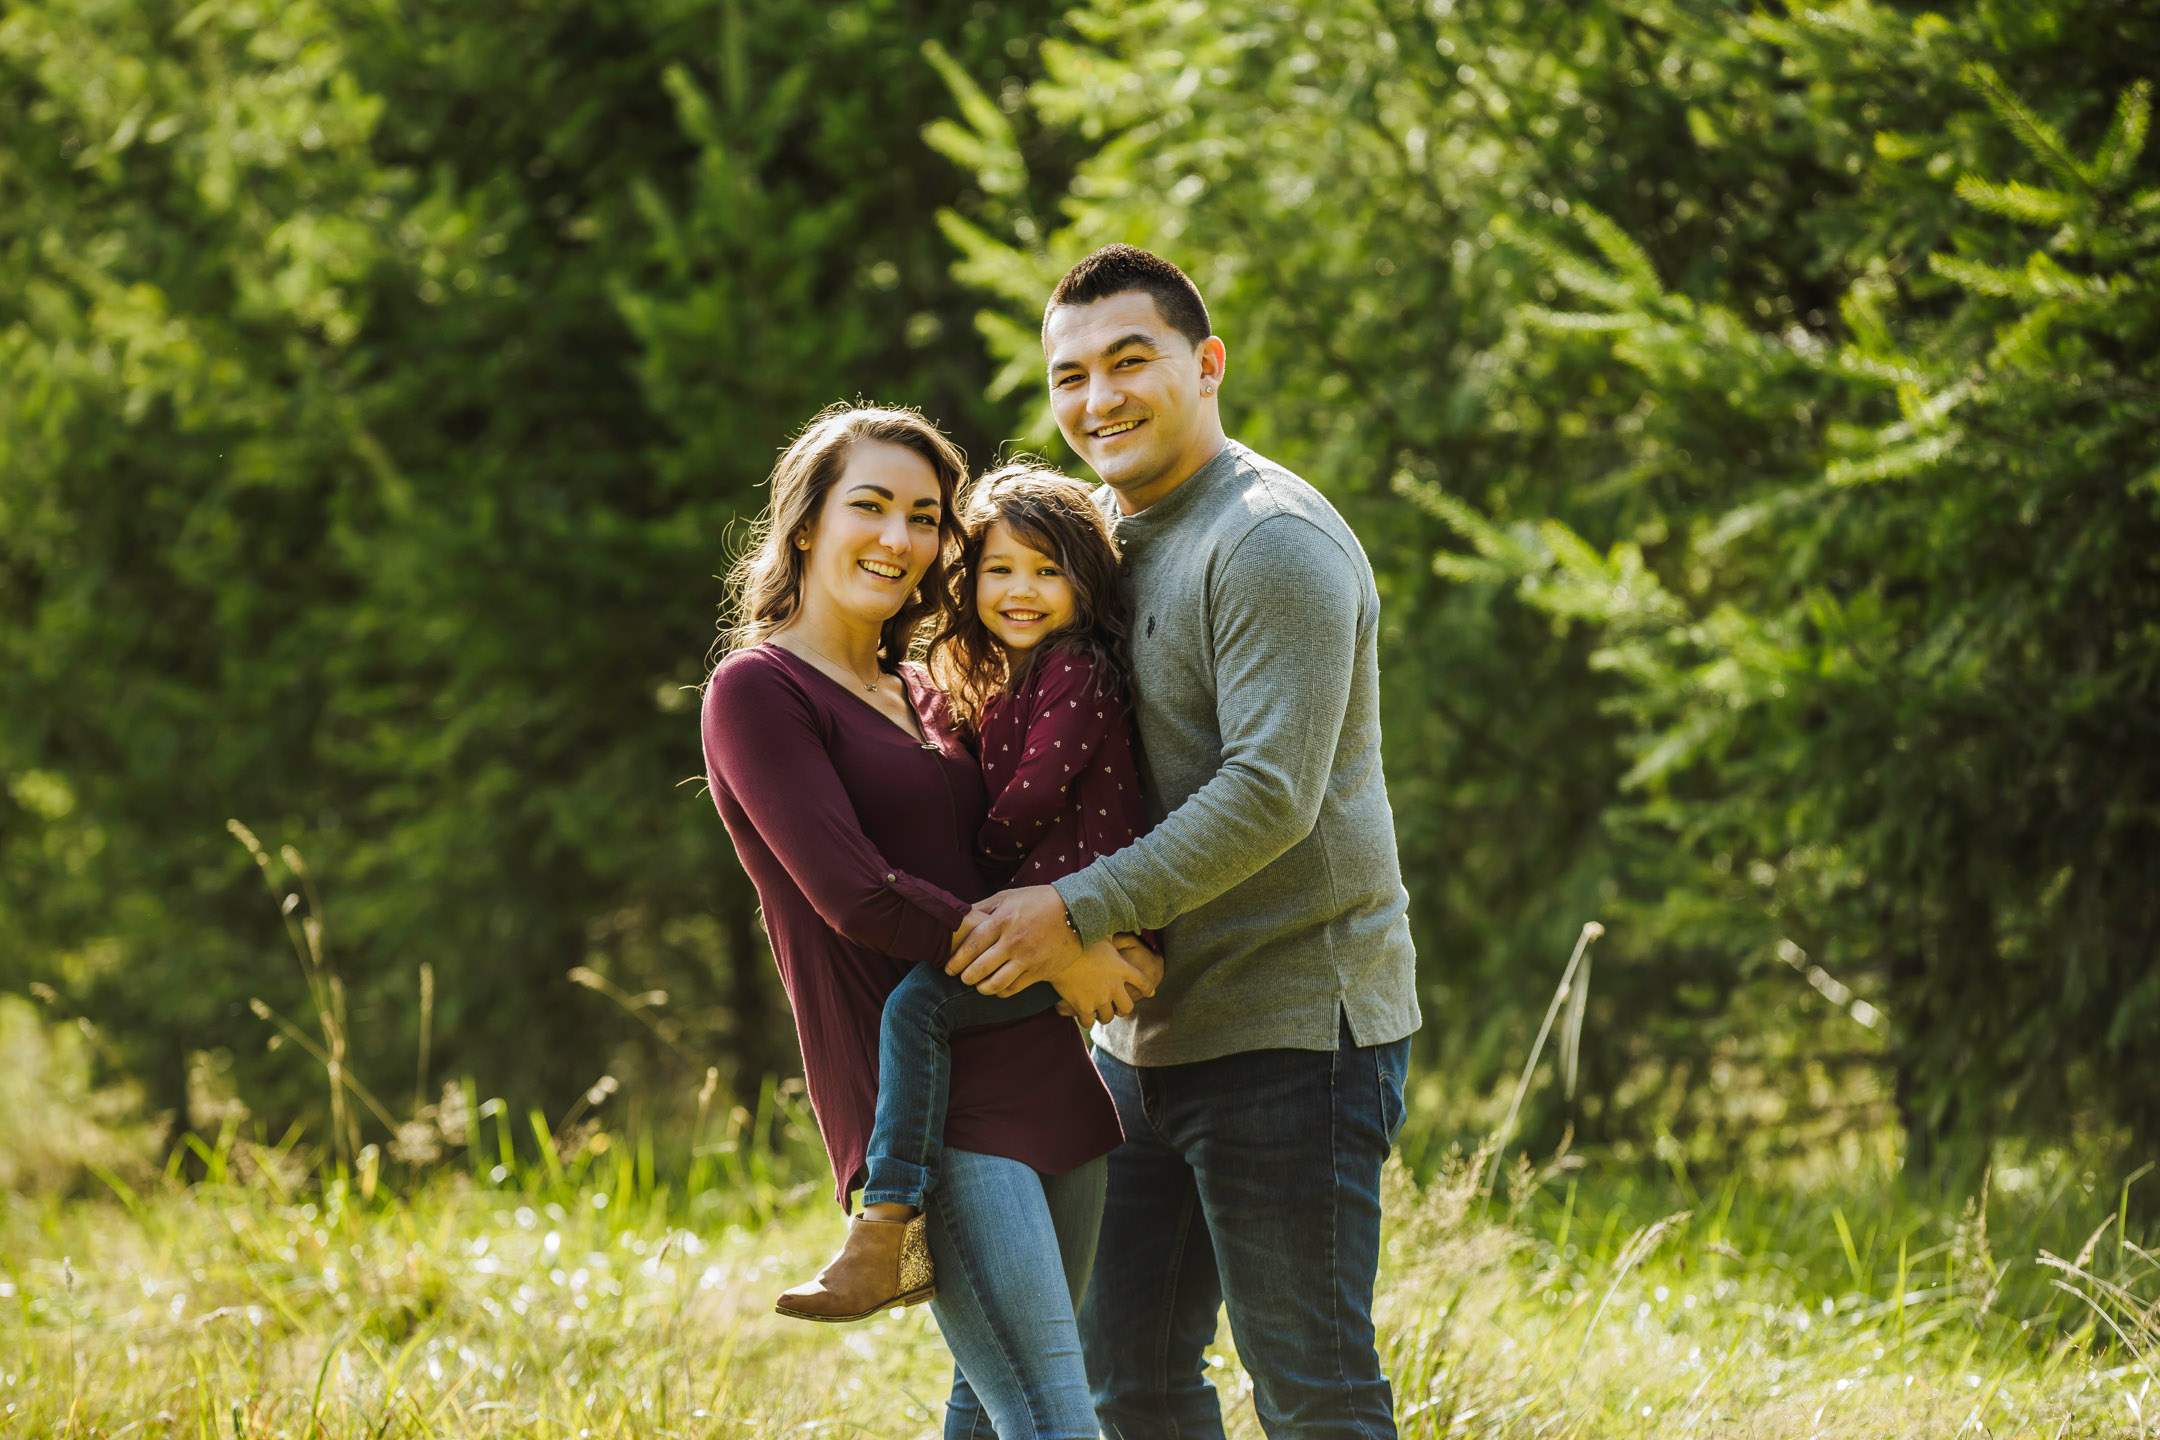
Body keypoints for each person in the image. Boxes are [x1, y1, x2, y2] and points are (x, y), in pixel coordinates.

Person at [948, 246, 1423, 1438]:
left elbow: (1271, 794)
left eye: (1128, 362)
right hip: (1137, 1035)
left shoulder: (1269, 543)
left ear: (1205, 365)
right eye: (1070, 375)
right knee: (1133, 1385)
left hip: (1290, 1028)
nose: (1097, 399)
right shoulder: (1093, 539)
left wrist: (1069, 912)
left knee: (1311, 1391)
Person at [699, 403, 1156, 1438]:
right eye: (870, 507)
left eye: (924, 515)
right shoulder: (757, 690)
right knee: (1053, 1418)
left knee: (995, 1414)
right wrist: (1060, 956)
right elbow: (857, 895)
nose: (899, 540)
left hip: (1046, 1068)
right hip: (934, 1104)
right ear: (806, 522)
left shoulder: (927, 685)